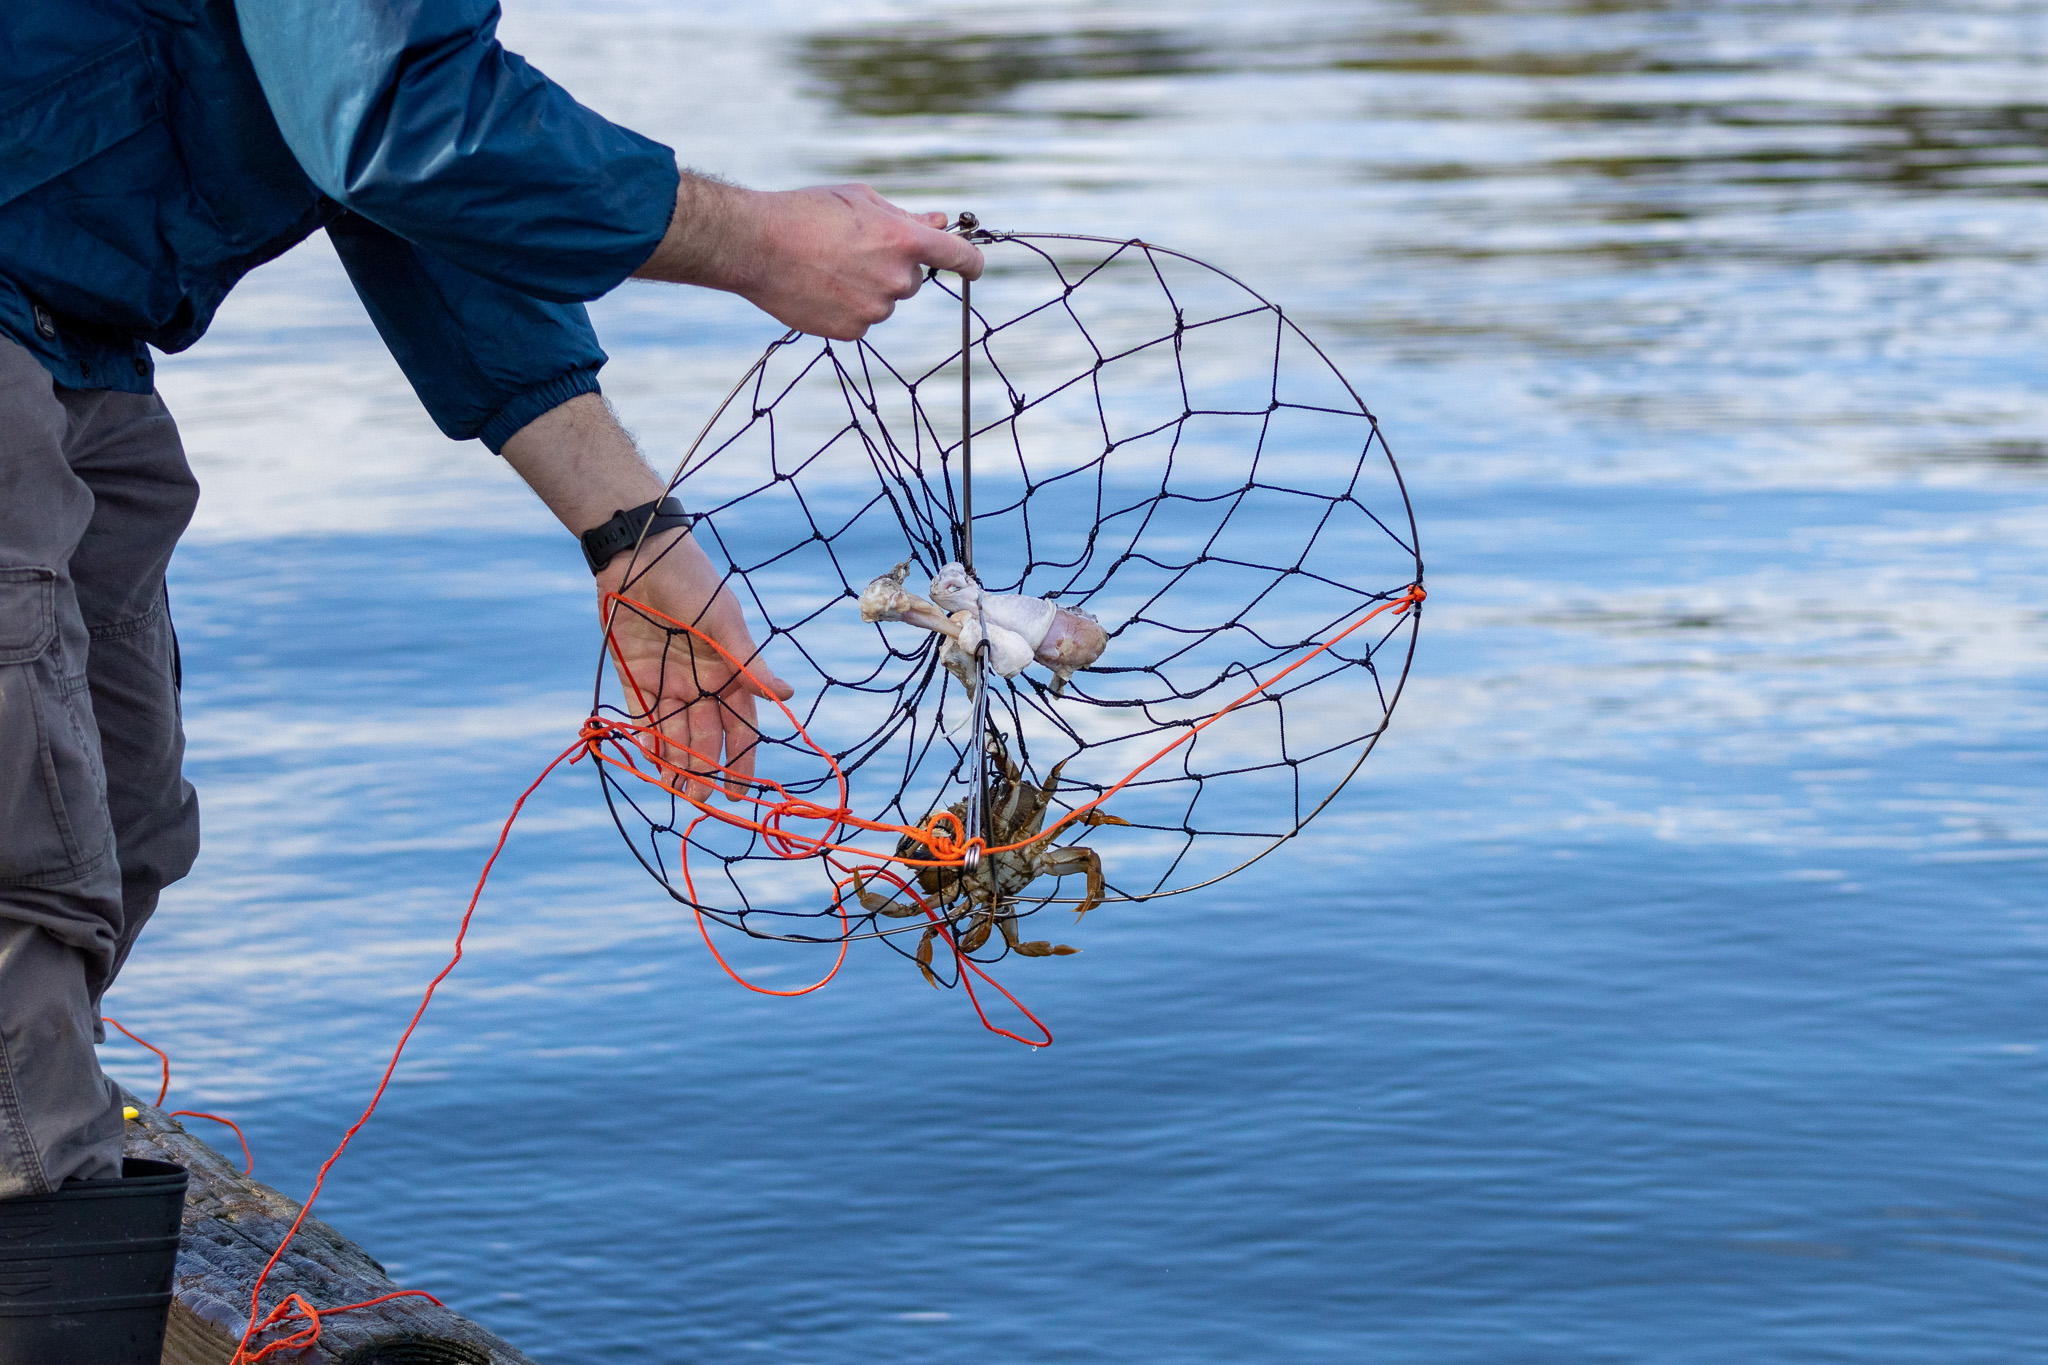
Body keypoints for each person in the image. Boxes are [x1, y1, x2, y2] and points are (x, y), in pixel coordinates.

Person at [0, 0, 984, 1211]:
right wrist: (759, 243)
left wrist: (630, 535)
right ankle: (42, 1226)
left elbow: (395, 161)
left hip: (70, 335)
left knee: (120, 826)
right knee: (22, 867)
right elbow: (396, 127)